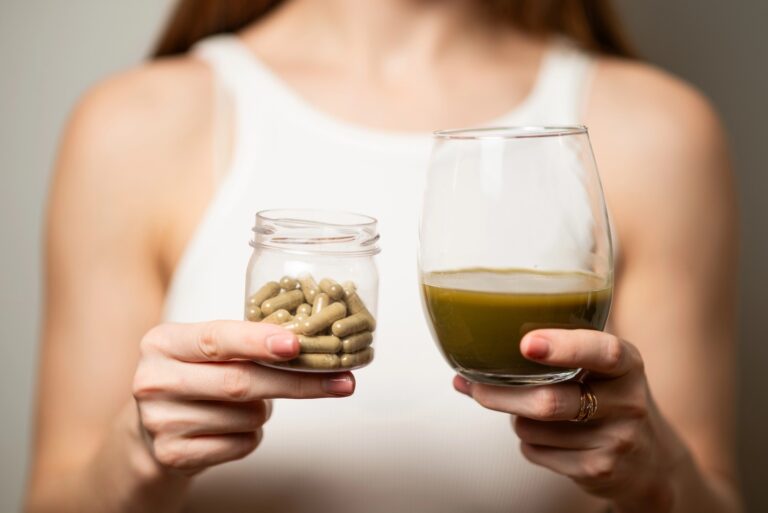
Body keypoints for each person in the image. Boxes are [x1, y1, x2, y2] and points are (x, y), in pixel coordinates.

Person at [25, 0, 741, 512]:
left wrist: (658, 474)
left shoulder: (660, 133)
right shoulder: (134, 124)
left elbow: (711, 493)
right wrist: (141, 454)